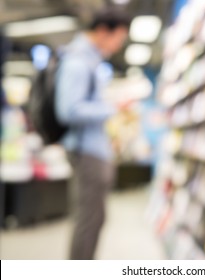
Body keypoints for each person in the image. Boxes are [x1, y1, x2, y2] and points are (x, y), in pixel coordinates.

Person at [55, 8, 130, 260]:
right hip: (86, 151)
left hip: (93, 150)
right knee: (88, 221)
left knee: (94, 219)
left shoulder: (91, 61)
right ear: (102, 31)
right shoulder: (78, 61)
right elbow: (69, 111)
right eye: (118, 38)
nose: (118, 45)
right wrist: (112, 108)